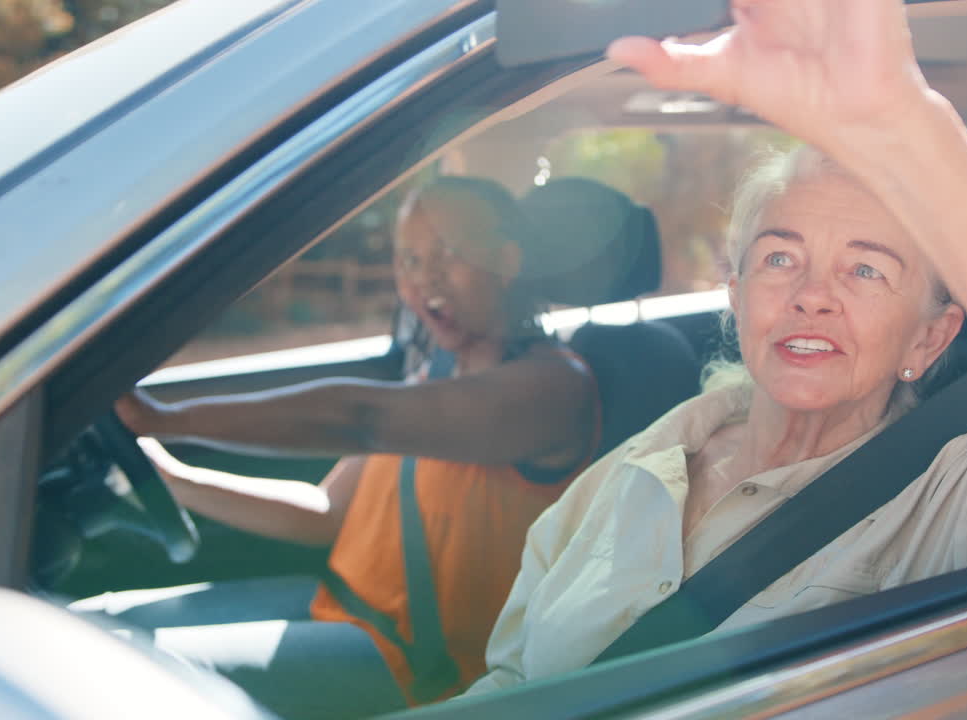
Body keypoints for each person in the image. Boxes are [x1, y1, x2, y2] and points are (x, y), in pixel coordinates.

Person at [465, 0, 967, 693]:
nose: (813, 294)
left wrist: (906, 125)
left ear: (929, 337)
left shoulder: (958, 493)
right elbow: (510, 683)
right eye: (781, 259)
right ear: (737, 295)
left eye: (866, 269)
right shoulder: (647, 458)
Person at [84, 176, 602, 718]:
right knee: (97, 626)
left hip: (425, 669)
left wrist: (165, 419)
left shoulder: (551, 388)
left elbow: (360, 419)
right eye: (408, 260)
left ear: (508, 259)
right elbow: (326, 512)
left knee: (126, 674)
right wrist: (169, 478)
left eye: (447, 255)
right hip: (340, 610)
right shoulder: (435, 374)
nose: (424, 279)